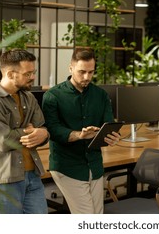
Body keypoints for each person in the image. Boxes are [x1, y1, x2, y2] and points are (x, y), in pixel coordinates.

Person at [42, 47, 121, 214]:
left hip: (94, 164)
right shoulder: (53, 96)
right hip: (67, 165)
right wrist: (80, 135)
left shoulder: (101, 95)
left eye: (91, 72)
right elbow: (53, 130)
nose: (87, 77)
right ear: (71, 68)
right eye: (82, 72)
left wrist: (113, 136)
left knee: (97, 215)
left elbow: (108, 124)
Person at [0, 48, 49, 214]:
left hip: (33, 174)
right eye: (27, 73)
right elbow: (2, 141)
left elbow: (41, 129)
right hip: (5, 179)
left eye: (33, 72)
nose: (33, 77)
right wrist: (28, 131)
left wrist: (44, 134)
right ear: (9, 74)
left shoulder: (28, 97)